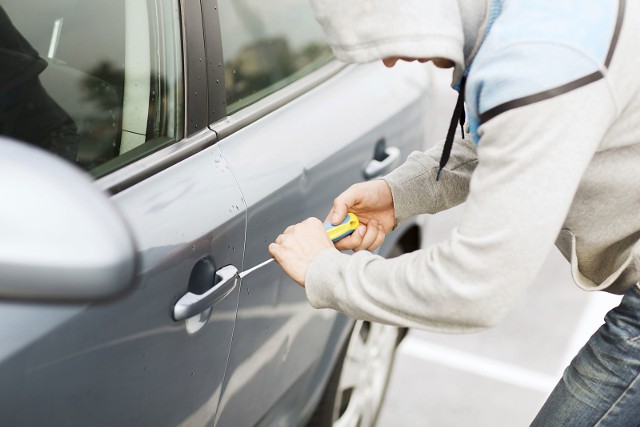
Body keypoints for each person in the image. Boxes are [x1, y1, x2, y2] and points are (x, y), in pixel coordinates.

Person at [268, 0, 640, 424]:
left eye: (383, 36)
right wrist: (399, 193)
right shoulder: (522, 21)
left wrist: (325, 272)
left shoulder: (541, 62)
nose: (390, 61)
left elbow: (474, 287)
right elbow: (513, 140)